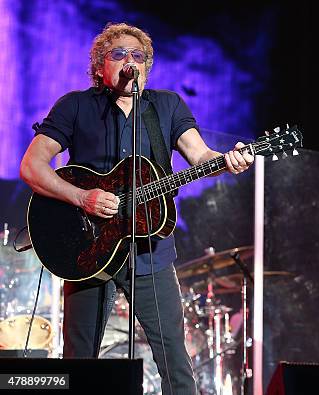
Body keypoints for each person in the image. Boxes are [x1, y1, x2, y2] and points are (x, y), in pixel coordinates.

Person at [19, 23, 254, 395]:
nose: (130, 61)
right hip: (86, 250)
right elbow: (32, 166)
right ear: (100, 67)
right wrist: (82, 198)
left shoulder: (167, 105)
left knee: (176, 365)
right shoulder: (76, 106)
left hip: (150, 253)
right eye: (119, 55)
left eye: (138, 56)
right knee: (79, 362)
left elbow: (200, 155)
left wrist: (227, 160)